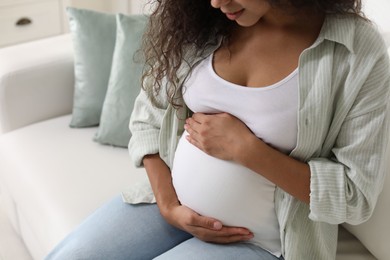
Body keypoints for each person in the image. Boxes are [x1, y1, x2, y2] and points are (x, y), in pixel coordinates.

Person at [45, 0, 390, 259]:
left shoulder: (356, 50)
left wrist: (248, 150)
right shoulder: (205, 23)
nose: (216, 2)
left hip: (262, 242)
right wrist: (168, 205)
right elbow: (148, 115)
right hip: (168, 206)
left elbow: (354, 195)